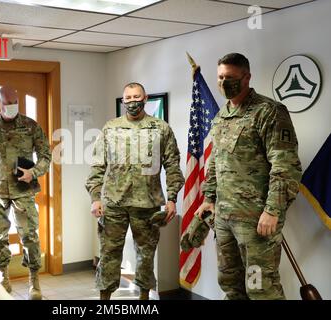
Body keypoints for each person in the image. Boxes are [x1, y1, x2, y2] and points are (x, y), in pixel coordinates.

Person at [196, 53, 302, 300]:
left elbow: (285, 166)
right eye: (221, 77)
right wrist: (209, 198)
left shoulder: (269, 112)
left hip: (256, 220)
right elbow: (216, 162)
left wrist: (273, 210)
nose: (224, 83)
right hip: (223, 217)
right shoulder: (222, 115)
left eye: (230, 77)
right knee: (231, 283)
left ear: (247, 77)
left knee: (260, 287)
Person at [86, 82, 185, 300]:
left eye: (136, 97)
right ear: (123, 100)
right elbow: (97, 165)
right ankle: (105, 299)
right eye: (128, 98)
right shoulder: (111, 128)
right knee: (109, 253)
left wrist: (172, 199)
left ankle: (144, 298)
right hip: (114, 203)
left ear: (145, 98)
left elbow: (172, 166)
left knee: (146, 255)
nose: (132, 101)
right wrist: (95, 198)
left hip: (147, 204)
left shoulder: (160, 129)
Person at [0, 86, 51, 300]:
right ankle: (3, 279)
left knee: (30, 236)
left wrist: (34, 172)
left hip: (23, 190)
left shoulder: (30, 126)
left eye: (15, 102)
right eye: (7, 103)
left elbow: (46, 155)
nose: (12, 106)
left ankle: (34, 281)